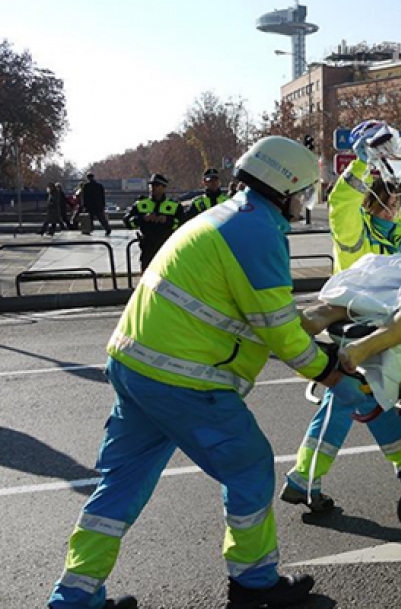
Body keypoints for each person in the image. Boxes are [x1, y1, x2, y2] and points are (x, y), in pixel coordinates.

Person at [46, 135, 349, 609]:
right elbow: (278, 331)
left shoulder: (224, 218)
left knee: (121, 484)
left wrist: (319, 316)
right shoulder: (258, 231)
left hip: (136, 364)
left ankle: (74, 597)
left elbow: (248, 312)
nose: (303, 201)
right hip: (185, 378)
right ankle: (254, 586)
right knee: (249, 467)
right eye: (304, 190)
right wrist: (329, 367)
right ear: (285, 186)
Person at [282, 120, 401, 512]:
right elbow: (342, 204)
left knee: (367, 398)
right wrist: (361, 166)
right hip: (361, 327)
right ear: (373, 203)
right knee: (350, 397)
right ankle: (303, 478)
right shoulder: (357, 233)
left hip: (382, 330)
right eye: (390, 202)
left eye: (398, 203)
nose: (396, 209)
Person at [325, 121, 401, 272]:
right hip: (355, 296)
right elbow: (343, 203)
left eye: (394, 204)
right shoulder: (353, 235)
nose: (390, 212)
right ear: (367, 204)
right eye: (383, 205)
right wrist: (362, 164)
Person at [123, 174, 187, 272]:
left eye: (156, 185)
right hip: (147, 248)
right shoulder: (140, 204)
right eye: (151, 185)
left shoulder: (174, 206)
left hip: (167, 247)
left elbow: (183, 225)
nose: (152, 188)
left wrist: (167, 220)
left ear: (164, 187)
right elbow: (127, 222)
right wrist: (143, 218)